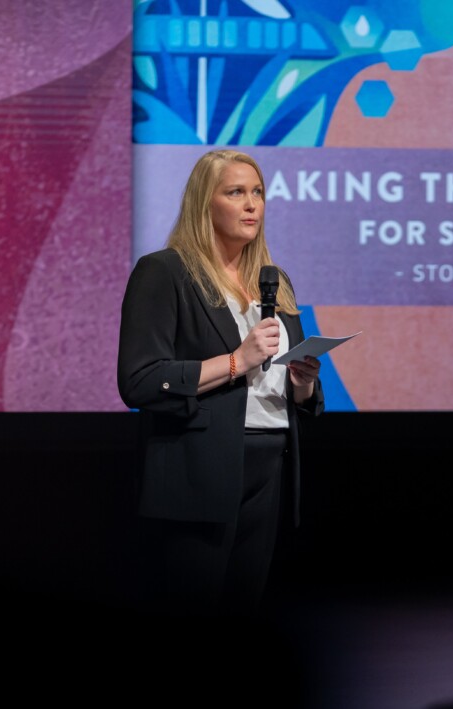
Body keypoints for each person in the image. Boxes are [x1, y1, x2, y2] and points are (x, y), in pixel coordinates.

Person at [117, 149, 323, 619]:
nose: (251, 204)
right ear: (204, 202)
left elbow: (287, 389)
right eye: (235, 193)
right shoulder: (166, 272)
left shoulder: (274, 281)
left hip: (269, 464)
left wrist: (302, 384)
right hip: (200, 467)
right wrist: (235, 362)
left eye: (258, 193)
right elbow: (139, 380)